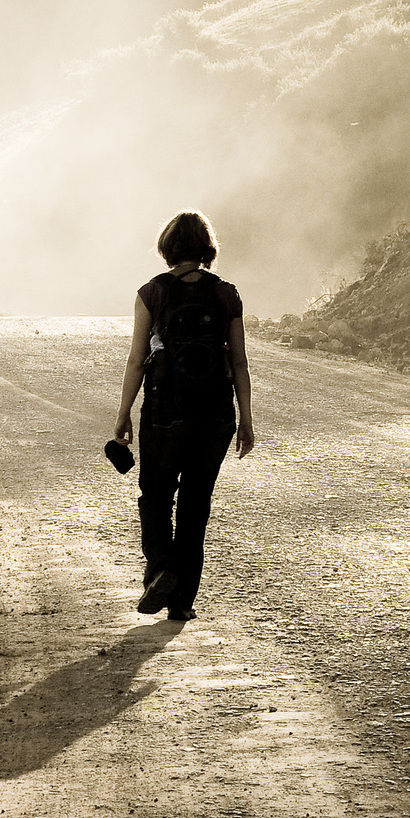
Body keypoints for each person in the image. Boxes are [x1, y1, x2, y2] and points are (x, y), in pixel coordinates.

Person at [112, 211, 254, 622]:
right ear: (207, 248)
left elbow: (137, 361)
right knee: (196, 504)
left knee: (156, 495)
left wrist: (123, 416)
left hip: (163, 412)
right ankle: (182, 602)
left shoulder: (152, 293)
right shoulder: (226, 294)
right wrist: (245, 419)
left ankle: (159, 569)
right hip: (215, 416)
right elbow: (240, 363)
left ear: (168, 247)